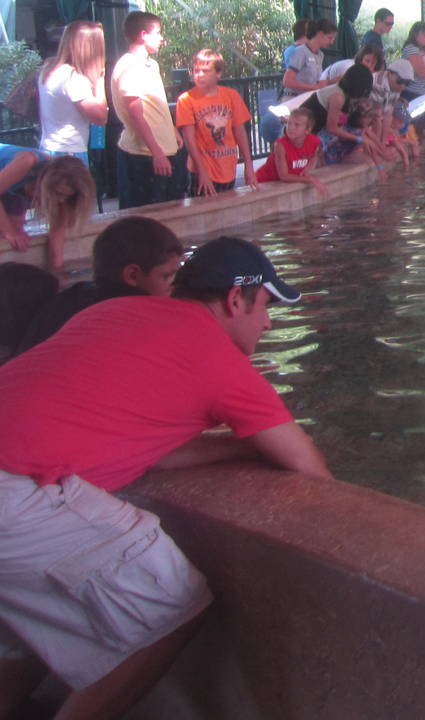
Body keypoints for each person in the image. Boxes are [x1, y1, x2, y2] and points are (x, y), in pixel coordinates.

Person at [0, 237, 331, 719]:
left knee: (27, 622)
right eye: (264, 305)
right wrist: (264, 443)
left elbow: (151, 452)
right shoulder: (221, 362)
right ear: (235, 298)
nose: (268, 322)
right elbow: (312, 473)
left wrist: (243, 444)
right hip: (14, 487)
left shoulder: (112, 313)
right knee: (167, 604)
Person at [14, 216, 184, 360]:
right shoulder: (126, 325)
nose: (175, 284)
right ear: (132, 275)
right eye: (166, 276)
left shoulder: (74, 298)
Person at [111, 11, 189, 208]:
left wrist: (171, 130)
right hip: (144, 154)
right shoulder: (129, 66)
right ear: (143, 35)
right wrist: (157, 152)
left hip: (163, 149)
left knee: (172, 208)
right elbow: (135, 112)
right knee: (149, 215)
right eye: (158, 32)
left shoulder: (150, 64)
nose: (161, 38)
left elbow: (156, 106)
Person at [0, 145, 96, 273]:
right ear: (47, 184)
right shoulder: (27, 161)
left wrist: (57, 272)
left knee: (18, 232)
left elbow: (57, 230)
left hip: (12, 189)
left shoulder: (65, 196)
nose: (61, 200)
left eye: (67, 196)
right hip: (9, 171)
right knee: (10, 233)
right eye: (59, 193)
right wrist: (10, 231)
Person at [176, 49, 258, 197]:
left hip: (228, 168)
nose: (199, 75)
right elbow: (189, 139)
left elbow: (240, 131)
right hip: (202, 170)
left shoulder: (231, 95)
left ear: (218, 73)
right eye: (196, 71)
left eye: (205, 71)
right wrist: (202, 173)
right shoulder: (186, 100)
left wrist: (248, 166)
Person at [37, 19, 108, 162]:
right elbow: (100, 117)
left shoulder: (48, 69)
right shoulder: (74, 79)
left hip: (48, 148)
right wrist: (100, 83)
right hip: (69, 154)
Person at [264, 19, 336, 147]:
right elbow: (287, 81)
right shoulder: (300, 52)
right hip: (293, 99)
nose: (332, 42)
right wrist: (313, 87)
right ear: (320, 34)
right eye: (329, 38)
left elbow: (318, 81)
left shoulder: (320, 55)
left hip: (308, 101)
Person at [254, 107, 327, 197]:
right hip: (263, 181)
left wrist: (308, 169)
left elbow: (315, 155)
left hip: (279, 183)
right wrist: (310, 179)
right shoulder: (280, 145)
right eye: (289, 123)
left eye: (297, 125)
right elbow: (284, 176)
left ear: (308, 130)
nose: (291, 128)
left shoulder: (314, 141)